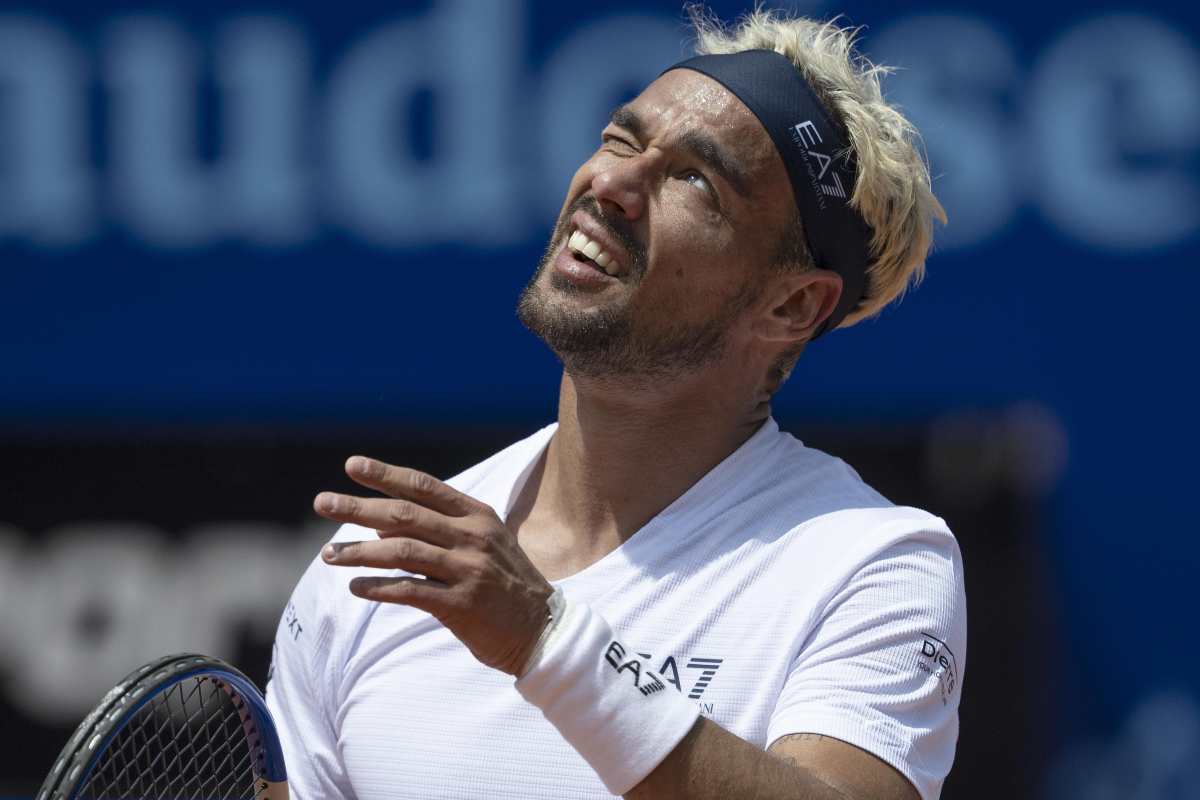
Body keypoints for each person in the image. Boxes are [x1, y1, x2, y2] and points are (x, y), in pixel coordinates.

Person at [266, 7, 964, 800]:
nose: (612, 183)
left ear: (792, 307)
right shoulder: (371, 576)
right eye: (620, 139)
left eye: (695, 179)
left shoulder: (873, 563)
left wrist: (544, 640)